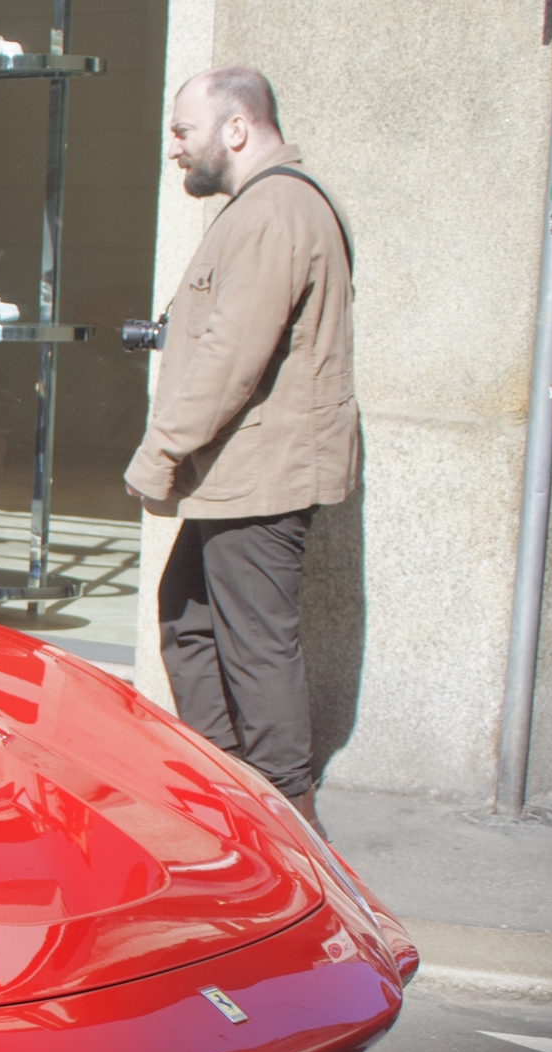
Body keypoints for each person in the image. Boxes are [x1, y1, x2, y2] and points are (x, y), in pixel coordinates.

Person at [127, 65, 355, 835]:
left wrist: (158, 453)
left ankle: (291, 829)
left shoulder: (276, 210)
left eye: (183, 130)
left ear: (236, 127)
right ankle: (233, 795)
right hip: (240, 475)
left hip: (259, 475)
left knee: (256, 648)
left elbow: (231, 354)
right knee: (186, 617)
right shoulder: (266, 207)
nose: (174, 149)